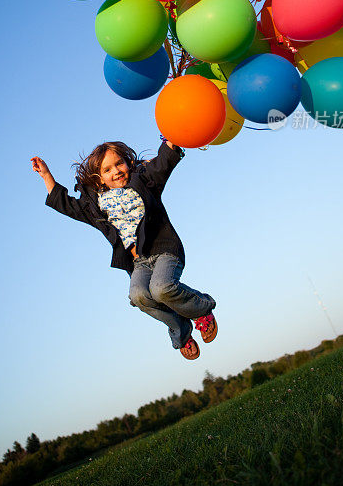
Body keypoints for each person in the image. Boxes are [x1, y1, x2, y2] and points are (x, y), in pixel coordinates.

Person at [31, 140, 217, 361]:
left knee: (161, 288)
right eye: (107, 169)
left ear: (128, 164)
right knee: (138, 296)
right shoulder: (96, 206)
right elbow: (67, 205)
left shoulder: (145, 181)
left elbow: (163, 163)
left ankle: (202, 309)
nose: (116, 171)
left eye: (119, 164)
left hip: (165, 250)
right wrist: (46, 176)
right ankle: (182, 331)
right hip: (139, 263)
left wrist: (171, 141)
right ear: (99, 178)